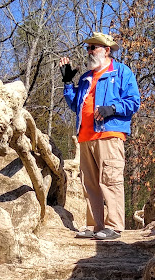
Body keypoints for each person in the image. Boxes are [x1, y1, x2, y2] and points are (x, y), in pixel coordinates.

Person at [59, 32, 140, 240]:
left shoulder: (121, 72)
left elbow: (134, 102)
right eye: (88, 48)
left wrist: (112, 109)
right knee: (90, 184)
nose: (89, 51)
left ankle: (114, 226)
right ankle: (95, 225)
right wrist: (68, 83)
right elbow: (75, 105)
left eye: (93, 48)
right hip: (85, 137)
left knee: (110, 180)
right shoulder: (86, 77)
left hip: (109, 135)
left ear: (106, 50)